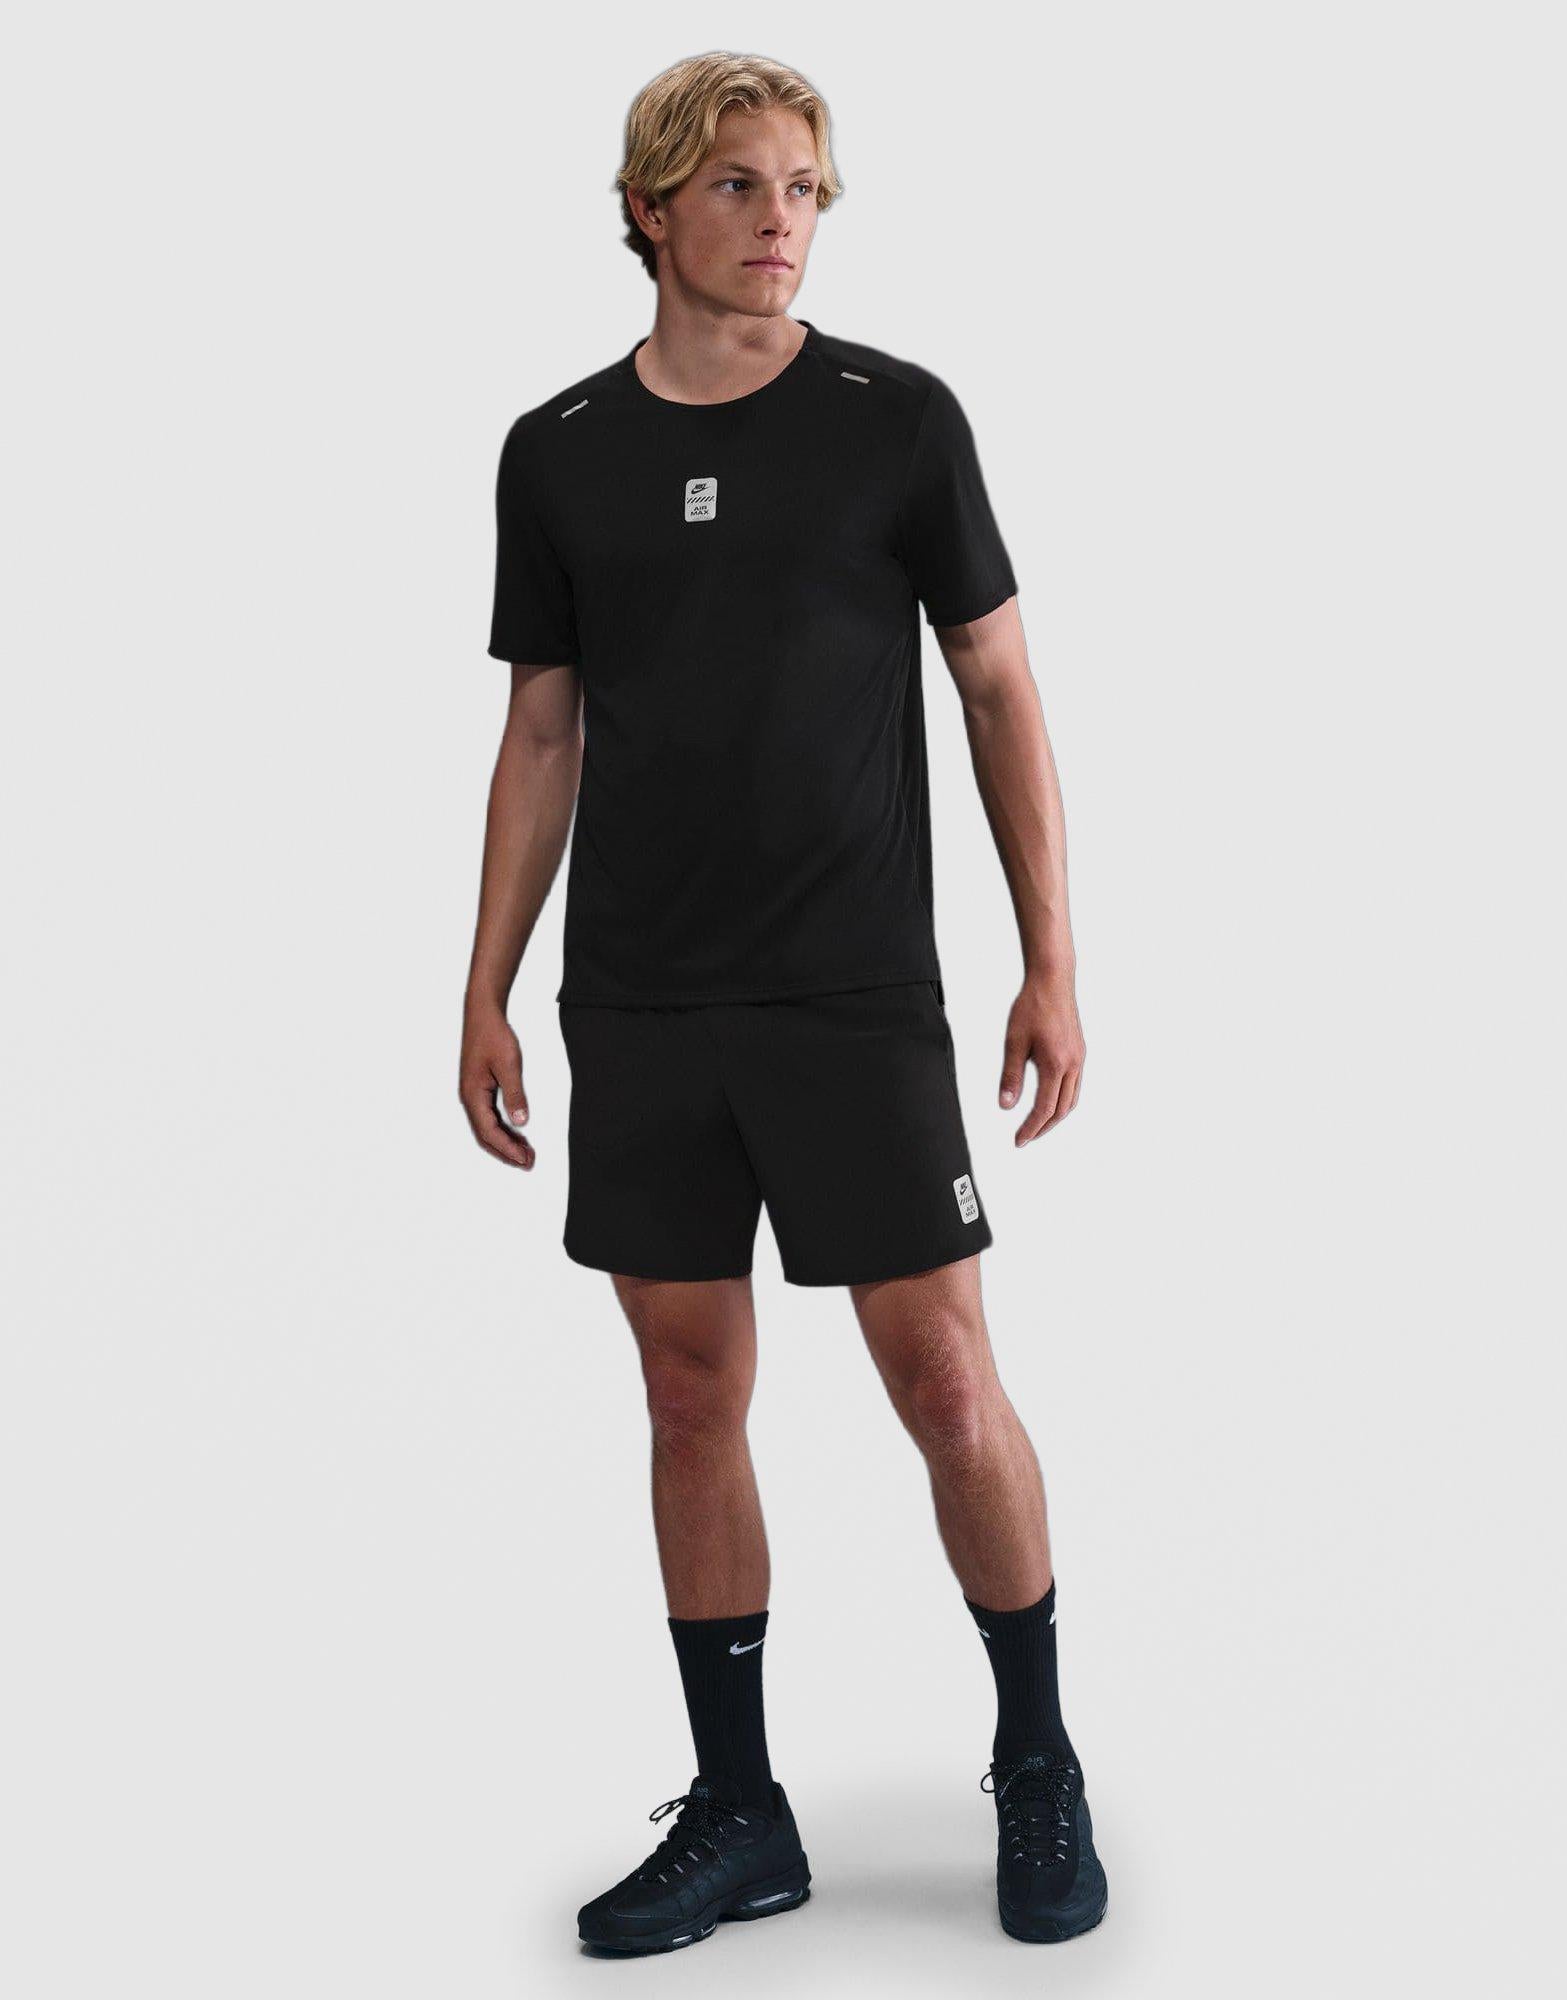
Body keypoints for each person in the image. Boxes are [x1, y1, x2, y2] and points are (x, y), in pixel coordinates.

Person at [460, 50, 1107, 1953]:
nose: (781, 221)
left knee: (947, 1380)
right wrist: (486, 985)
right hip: (644, 1001)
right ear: (649, 208)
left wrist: (1052, 959)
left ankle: (1040, 1757)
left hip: (853, 994)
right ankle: (741, 1810)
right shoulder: (557, 448)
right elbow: (543, 730)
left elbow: (998, 685)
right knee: (687, 1391)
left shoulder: (895, 421)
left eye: (805, 187)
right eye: (740, 185)